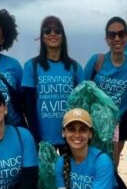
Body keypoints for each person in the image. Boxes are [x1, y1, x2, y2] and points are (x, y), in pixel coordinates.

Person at [83, 17, 127, 186]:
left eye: (121, 34)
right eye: (112, 35)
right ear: (107, 39)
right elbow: (82, 92)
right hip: (93, 129)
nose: (117, 39)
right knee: (90, 170)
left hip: (115, 130)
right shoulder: (97, 61)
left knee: (110, 170)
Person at [21, 16, 84, 148]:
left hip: (70, 137)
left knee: (68, 169)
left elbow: (82, 104)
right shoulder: (31, 66)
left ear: (63, 36)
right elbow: (28, 105)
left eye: (57, 30)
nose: (52, 34)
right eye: (47, 31)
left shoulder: (75, 67)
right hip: (42, 139)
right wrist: (35, 136)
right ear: (42, 36)